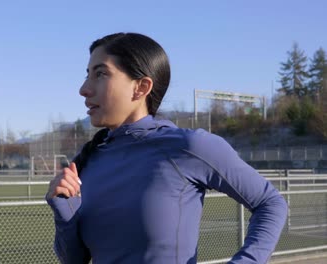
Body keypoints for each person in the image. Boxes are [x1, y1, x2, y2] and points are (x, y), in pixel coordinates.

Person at [46, 32, 287, 264]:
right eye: (87, 74)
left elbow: (270, 203)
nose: (84, 89)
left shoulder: (188, 146)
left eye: (100, 74)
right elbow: (73, 259)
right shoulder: (86, 161)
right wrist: (65, 212)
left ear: (141, 87)